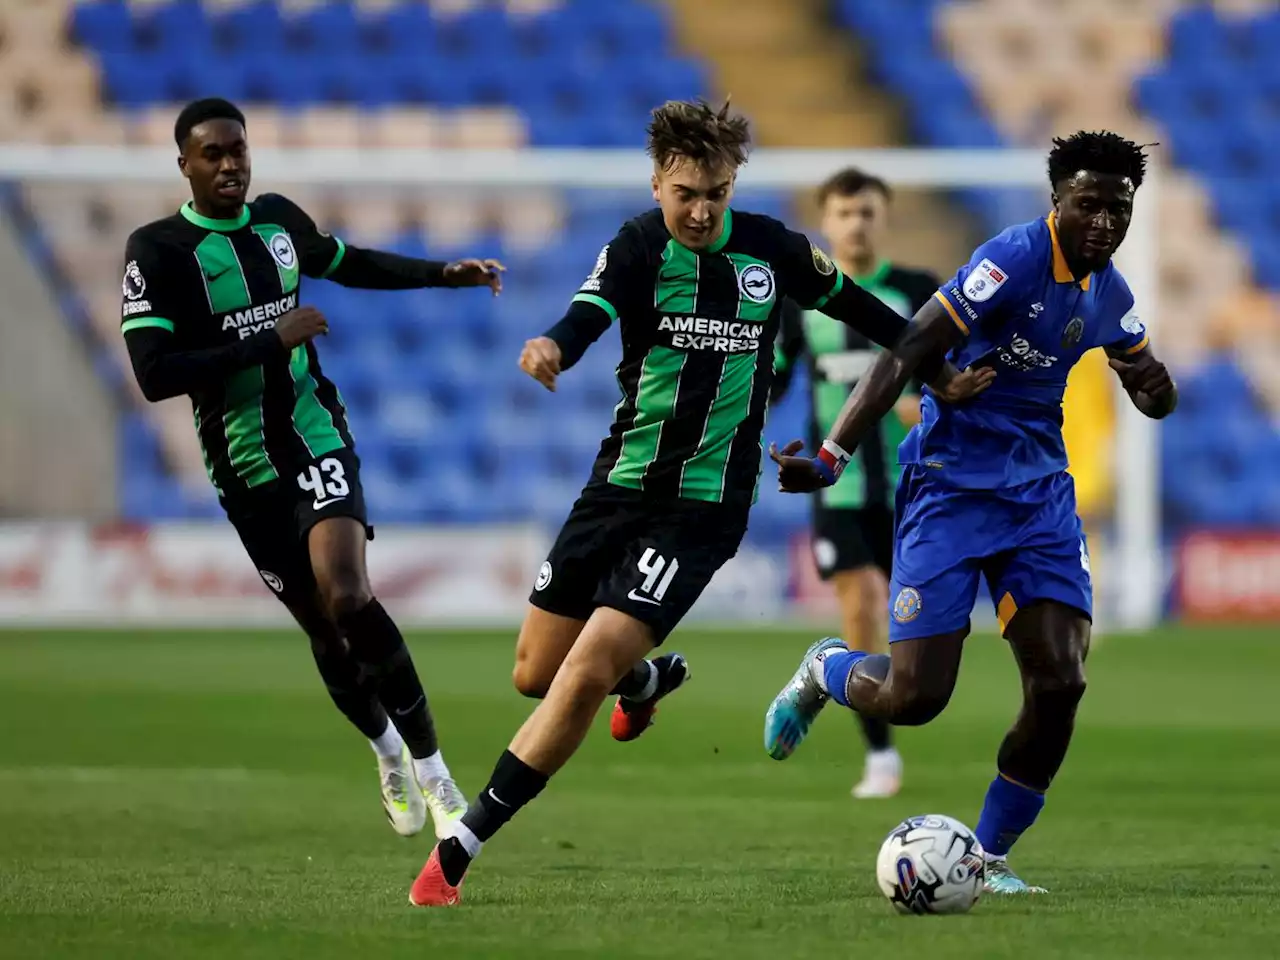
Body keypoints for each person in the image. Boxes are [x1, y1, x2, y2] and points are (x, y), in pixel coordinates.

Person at [408, 98, 986, 907]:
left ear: (732, 183)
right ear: (657, 187)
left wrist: (937, 374)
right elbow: (585, 316)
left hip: (702, 510)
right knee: (535, 673)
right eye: (686, 193)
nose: (702, 209)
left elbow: (866, 311)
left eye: (715, 191)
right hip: (615, 489)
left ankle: (457, 853)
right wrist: (551, 346)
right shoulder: (639, 246)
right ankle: (640, 685)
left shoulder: (772, 251)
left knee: (579, 676)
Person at [763, 131, 1177, 894]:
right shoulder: (1011, 260)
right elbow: (903, 350)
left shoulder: (1109, 292)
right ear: (1057, 203)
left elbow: (1148, 379)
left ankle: (987, 857)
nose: (1103, 223)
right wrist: (831, 457)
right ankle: (828, 666)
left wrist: (1153, 385)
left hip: (1039, 500)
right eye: (1088, 205)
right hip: (950, 491)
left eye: (1117, 209)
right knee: (914, 699)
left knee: (1061, 682)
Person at [119, 98, 505, 841]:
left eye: (239, 150)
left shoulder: (278, 222)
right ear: (184, 166)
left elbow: (348, 262)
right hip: (242, 468)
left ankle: (435, 771)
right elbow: (155, 374)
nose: (230, 164)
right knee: (327, 636)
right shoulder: (157, 252)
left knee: (351, 596)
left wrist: (443, 274)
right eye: (212, 154)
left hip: (313, 434)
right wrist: (270, 340)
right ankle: (386, 751)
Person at [772, 168, 947, 799]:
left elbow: (951, 375)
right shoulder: (799, 304)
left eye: (867, 212)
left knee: (920, 629)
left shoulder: (918, 292)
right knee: (865, 605)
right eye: (845, 213)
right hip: (839, 490)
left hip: (915, 489)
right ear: (827, 222)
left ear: (884, 217)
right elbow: (776, 379)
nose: (856, 224)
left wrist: (925, 403)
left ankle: (843, 685)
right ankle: (880, 755)